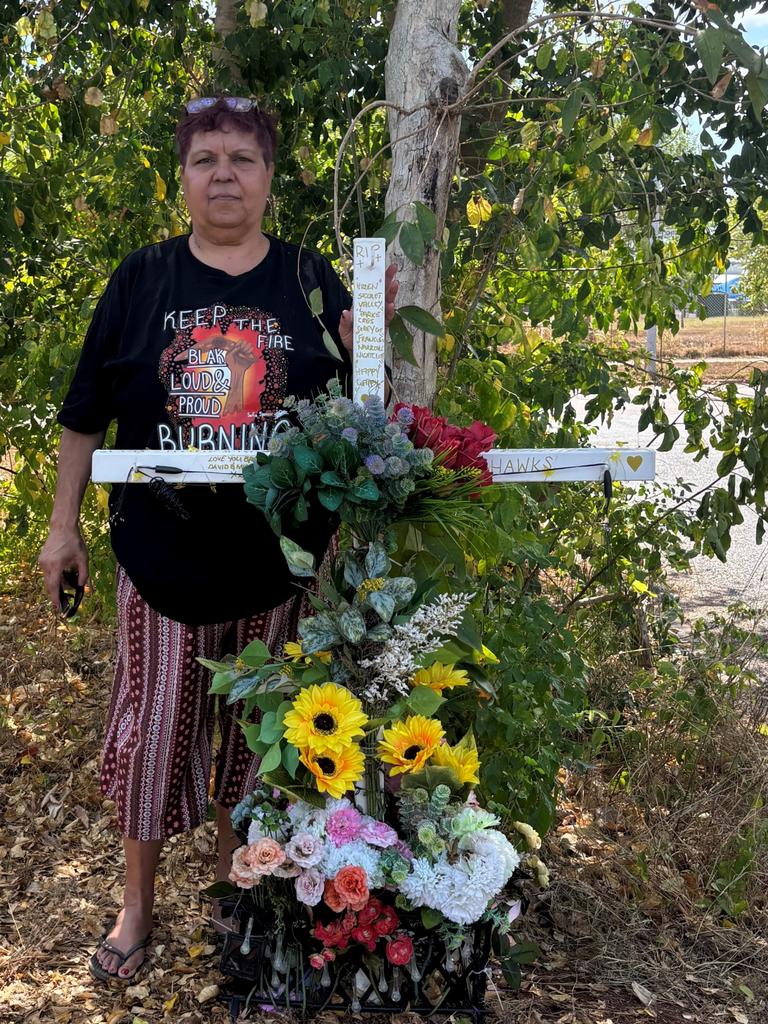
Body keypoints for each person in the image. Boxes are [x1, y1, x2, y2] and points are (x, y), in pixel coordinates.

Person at [38, 96, 399, 983]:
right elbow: (85, 416)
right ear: (184, 177)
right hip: (161, 564)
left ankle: (242, 900)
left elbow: (367, 422)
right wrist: (61, 531)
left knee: (261, 748)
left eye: (243, 158)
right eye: (206, 159)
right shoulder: (143, 279)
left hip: (279, 571)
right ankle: (135, 910)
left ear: (270, 178)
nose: (225, 174)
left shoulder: (315, 282)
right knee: (156, 734)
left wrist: (369, 350)